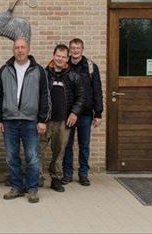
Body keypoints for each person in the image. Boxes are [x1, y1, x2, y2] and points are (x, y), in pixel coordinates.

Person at [0, 38, 50, 204]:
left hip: (30, 121)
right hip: (9, 120)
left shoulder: (38, 70)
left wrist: (42, 120)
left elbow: (45, 96)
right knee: (11, 157)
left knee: (32, 156)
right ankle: (16, 187)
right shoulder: (4, 70)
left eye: (22, 47)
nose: (19, 50)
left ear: (28, 49)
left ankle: (32, 189)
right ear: (13, 50)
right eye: (17, 47)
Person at [40, 44, 84, 193]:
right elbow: (37, 95)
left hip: (63, 122)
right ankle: (36, 177)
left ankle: (56, 179)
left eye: (63, 56)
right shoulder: (43, 73)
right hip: (45, 120)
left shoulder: (73, 75)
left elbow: (81, 97)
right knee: (38, 149)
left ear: (67, 58)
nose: (60, 59)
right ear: (53, 56)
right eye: (58, 56)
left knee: (59, 152)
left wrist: (74, 113)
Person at [63, 38, 104, 186]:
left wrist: (98, 113)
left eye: (78, 48)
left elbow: (97, 91)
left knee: (84, 145)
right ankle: (67, 173)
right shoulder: (64, 66)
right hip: (68, 113)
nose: (75, 50)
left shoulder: (91, 67)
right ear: (69, 50)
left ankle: (83, 174)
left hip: (86, 113)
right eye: (73, 48)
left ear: (82, 49)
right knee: (67, 145)